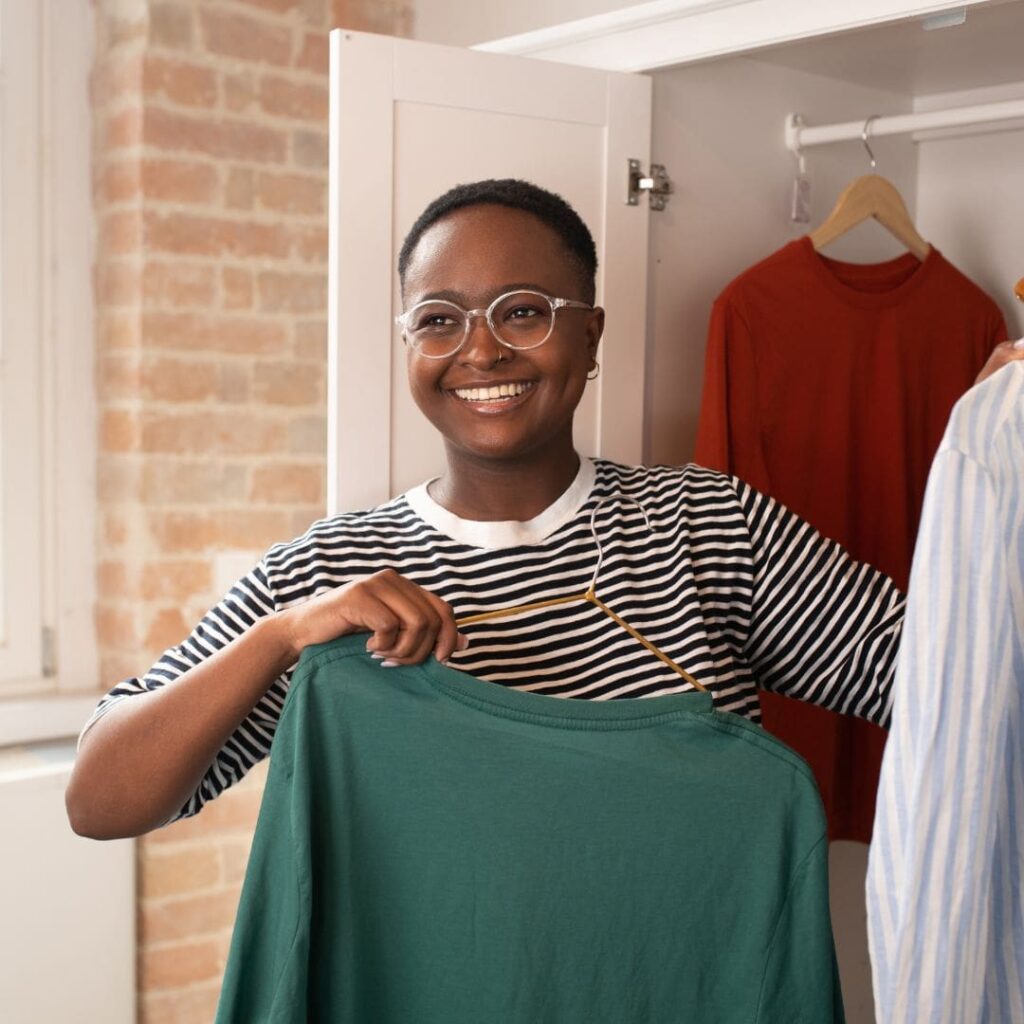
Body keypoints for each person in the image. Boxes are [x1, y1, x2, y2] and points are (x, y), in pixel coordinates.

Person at [65, 179, 1024, 841]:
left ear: (590, 333)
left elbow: (963, 682)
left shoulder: (709, 528)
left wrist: (1000, 462)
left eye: (523, 310)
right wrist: (280, 634)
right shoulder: (326, 577)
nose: (479, 352)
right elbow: (101, 801)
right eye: (438, 320)